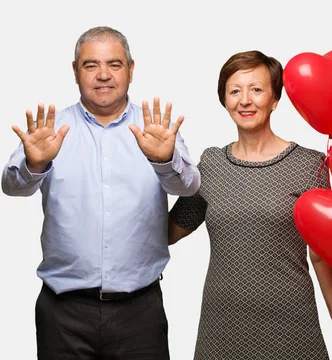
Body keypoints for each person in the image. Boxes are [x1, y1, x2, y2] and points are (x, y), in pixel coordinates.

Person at [1, 26, 200, 359]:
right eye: (91, 65)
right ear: (75, 71)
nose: (103, 75)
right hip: (63, 312)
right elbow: (10, 186)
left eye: (115, 64)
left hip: (140, 312)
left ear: (131, 70)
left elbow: (188, 186)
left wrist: (164, 159)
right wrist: (34, 165)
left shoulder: (155, 129)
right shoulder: (52, 130)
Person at [167, 50, 332, 360]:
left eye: (256, 89)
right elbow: (168, 232)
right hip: (222, 330)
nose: (245, 100)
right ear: (224, 100)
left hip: (293, 329)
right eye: (235, 91)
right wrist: (151, 166)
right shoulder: (211, 164)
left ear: (275, 99)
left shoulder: (310, 166)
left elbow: (321, 257)